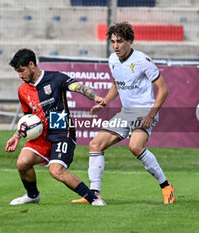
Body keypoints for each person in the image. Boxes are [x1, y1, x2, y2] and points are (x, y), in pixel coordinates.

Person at [72, 22, 175, 204]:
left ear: (130, 40)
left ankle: (166, 186)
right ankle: (94, 195)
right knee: (95, 145)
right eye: (112, 42)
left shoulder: (142, 61)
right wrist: (104, 102)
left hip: (144, 111)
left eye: (119, 41)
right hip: (126, 113)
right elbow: (117, 85)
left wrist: (151, 115)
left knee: (135, 147)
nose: (116, 46)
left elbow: (163, 90)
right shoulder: (112, 60)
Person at [5, 48, 106, 206]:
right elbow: (27, 117)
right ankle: (32, 196)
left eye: (21, 70)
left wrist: (96, 97)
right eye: (17, 72)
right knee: (22, 163)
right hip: (41, 135)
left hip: (62, 132)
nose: (20, 75)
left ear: (32, 64)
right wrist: (17, 136)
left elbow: (78, 87)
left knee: (56, 171)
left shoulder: (56, 78)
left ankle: (94, 199)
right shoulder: (22, 90)